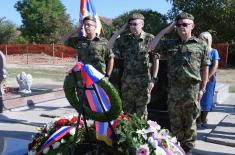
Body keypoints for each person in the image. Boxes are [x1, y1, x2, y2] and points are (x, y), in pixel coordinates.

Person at [147, 12, 210, 154]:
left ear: (192, 26)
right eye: (179, 24)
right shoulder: (170, 44)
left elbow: (205, 68)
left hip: (191, 91)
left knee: (190, 125)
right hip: (174, 92)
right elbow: (150, 47)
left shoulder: (201, 45)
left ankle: (187, 151)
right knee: (175, 125)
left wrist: (203, 88)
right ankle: (177, 150)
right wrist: (166, 29)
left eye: (185, 24)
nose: (182, 27)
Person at [107, 13, 159, 119]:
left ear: (142, 24)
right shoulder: (125, 39)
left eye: (135, 24)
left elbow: (155, 60)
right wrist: (121, 30)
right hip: (127, 82)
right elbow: (109, 46)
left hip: (143, 82)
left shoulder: (149, 38)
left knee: (142, 113)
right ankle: (128, 134)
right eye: (130, 24)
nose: (132, 26)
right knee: (126, 112)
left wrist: (153, 79)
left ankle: (142, 134)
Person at [197, 32, 220, 128]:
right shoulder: (197, 51)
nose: (203, 41)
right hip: (198, 79)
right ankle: (198, 120)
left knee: (207, 100)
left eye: (205, 39)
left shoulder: (213, 51)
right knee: (197, 99)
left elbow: (215, 66)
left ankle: (204, 119)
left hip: (210, 80)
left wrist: (207, 78)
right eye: (201, 39)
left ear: (209, 40)